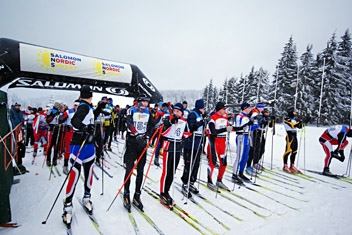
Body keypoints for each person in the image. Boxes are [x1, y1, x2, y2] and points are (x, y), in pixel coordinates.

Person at [62, 85, 105, 227]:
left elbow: (89, 118)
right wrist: (85, 128)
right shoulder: (83, 106)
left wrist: (99, 108)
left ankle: (87, 197)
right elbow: (75, 121)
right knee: (75, 177)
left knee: (89, 174)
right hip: (79, 146)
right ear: (89, 96)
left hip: (88, 147)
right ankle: (67, 206)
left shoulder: (88, 107)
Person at [122, 96, 157, 212]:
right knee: (129, 168)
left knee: (141, 170)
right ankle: (126, 193)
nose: (145, 104)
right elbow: (129, 123)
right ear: (138, 101)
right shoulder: (131, 110)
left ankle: (137, 195)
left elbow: (153, 124)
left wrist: (164, 121)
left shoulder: (148, 111)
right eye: (144, 101)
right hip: (132, 141)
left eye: (147, 102)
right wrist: (136, 134)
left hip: (142, 142)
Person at [159, 103, 190, 207]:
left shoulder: (183, 121)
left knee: (172, 171)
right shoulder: (168, 118)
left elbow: (185, 134)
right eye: (174, 111)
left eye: (178, 111)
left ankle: (167, 190)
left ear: (182, 112)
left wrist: (192, 129)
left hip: (177, 146)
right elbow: (163, 133)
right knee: (166, 171)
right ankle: (162, 192)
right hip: (169, 145)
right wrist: (170, 123)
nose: (176, 113)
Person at [181, 99, 205, 197]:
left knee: (196, 164)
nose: (204, 109)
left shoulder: (200, 115)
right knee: (188, 164)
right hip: (190, 143)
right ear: (199, 107)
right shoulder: (193, 114)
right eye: (203, 107)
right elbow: (192, 127)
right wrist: (202, 122)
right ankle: (185, 182)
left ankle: (191, 182)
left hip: (198, 143)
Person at [206, 101, 233, 191]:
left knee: (224, 163)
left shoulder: (225, 118)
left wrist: (239, 128)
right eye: (223, 109)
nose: (225, 110)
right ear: (219, 109)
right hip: (214, 141)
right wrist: (225, 129)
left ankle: (219, 180)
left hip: (223, 141)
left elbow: (230, 127)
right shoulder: (213, 118)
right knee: (213, 162)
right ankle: (209, 181)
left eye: (225, 109)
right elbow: (213, 131)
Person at [232, 102, 252, 184]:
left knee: (246, 156)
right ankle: (234, 174)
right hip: (241, 136)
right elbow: (237, 128)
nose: (249, 109)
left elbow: (250, 127)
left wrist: (258, 124)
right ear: (245, 108)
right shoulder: (239, 116)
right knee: (239, 156)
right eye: (248, 107)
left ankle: (241, 172)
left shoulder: (247, 116)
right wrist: (247, 124)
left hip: (247, 136)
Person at [246, 103, 266, 174]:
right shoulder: (254, 112)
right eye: (262, 107)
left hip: (259, 132)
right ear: (259, 107)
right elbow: (253, 123)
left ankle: (255, 163)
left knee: (260, 148)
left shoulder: (259, 113)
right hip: (254, 132)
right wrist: (260, 123)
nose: (263, 109)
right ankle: (249, 165)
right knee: (253, 148)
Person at [282, 107, 302, 173]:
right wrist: (298, 123)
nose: (295, 113)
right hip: (289, 135)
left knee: (294, 150)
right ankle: (285, 165)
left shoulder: (294, 119)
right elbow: (292, 125)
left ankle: (292, 165)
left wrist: (301, 123)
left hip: (295, 134)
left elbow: (298, 126)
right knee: (288, 150)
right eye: (294, 112)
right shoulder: (286, 119)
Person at [62, 100, 79, 174]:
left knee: (76, 149)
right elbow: (62, 118)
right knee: (68, 149)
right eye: (75, 105)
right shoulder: (69, 111)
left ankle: (75, 164)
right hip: (70, 131)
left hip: (78, 132)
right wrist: (61, 117)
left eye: (77, 105)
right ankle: (65, 165)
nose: (76, 106)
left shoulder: (81, 112)